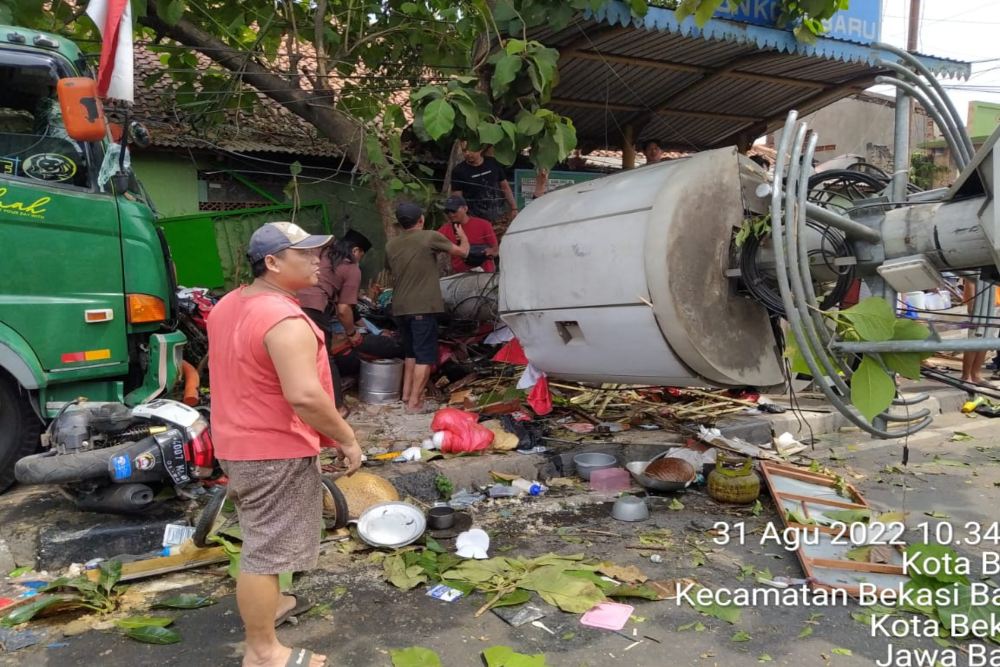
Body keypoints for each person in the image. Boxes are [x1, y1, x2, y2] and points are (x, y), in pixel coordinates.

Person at [208, 221, 363, 667]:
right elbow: (305, 395)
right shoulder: (285, 319)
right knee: (266, 550)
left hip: (238, 441)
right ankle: (263, 651)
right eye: (305, 254)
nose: (318, 260)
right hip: (273, 448)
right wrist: (345, 437)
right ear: (273, 263)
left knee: (262, 538)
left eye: (318, 252)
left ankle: (271, 606)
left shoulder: (228, 305)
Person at [386, 202, 469, 412]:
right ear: (421, 220)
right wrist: (462, 234)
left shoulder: (391, 245)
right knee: (424, 355)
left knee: (411, 353)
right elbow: (463, 253)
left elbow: (391, 269)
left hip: (400, 306)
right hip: (422, 306)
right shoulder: (429, 236)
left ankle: (406, 395)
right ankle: (415, 402)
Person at [450, 143, 518, 224]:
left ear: (480, 149)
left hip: (499, 217)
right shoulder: (458, 171)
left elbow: (505, 187)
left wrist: (514, 208)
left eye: (471, 149)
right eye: (464, 151)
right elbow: (457, 198)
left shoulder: (493, 163)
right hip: (475, 220)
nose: (467, 153)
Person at [438, 195, 498, 274]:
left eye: (454, 211)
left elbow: (495, 250)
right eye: (447, 212)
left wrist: (483, 253)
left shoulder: (484, 225)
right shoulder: (444, 230)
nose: (451, 214)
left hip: (484, 274)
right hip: (458, 276)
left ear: (465, 209)